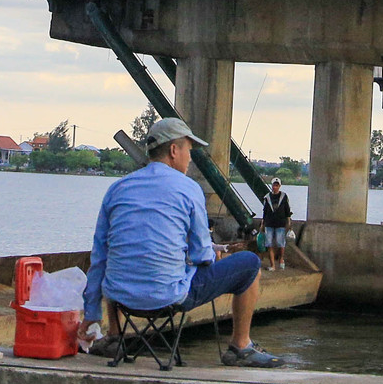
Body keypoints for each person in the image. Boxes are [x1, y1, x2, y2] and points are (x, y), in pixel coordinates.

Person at [83, 117, 282, 367]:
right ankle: (240, 347)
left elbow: (98, 257)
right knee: (250, 263)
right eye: (189, 150)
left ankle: (114, 337)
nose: (190, 158)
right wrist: (213, 254)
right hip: (168, 298)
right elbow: (201, 255)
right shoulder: (188, 189)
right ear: (174, 150)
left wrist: (91, 314)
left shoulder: (117, 188)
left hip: (120, 297)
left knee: (122, 254)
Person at [259, 178, 292, 271]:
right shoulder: (267, 197)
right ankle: (272, 265)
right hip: (269, 223)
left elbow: (287, 210)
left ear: (279, 186)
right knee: (269, 244)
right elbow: (264, 212)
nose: (275, 187)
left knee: (280, 243)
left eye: (277, 185)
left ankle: (281, 259)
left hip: (280, 223)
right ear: (272, 186)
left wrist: (288, 221)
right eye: (274, 185)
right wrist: (262, 223)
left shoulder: (284, 196)